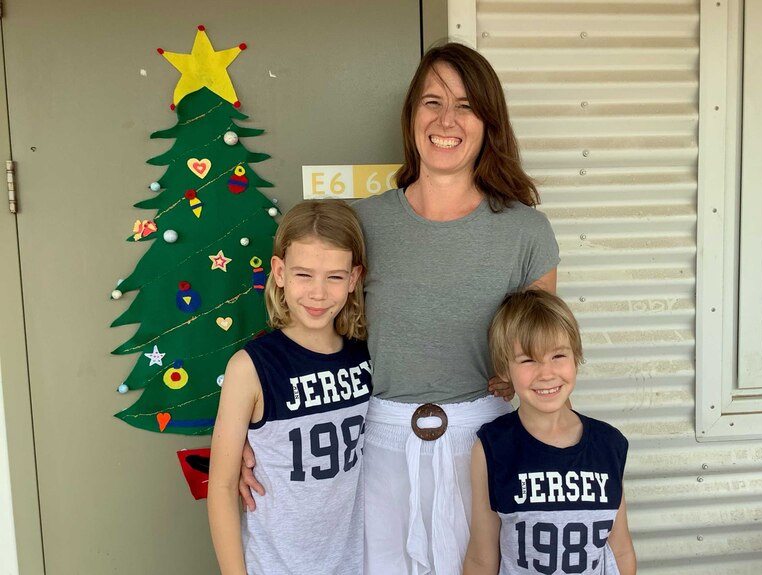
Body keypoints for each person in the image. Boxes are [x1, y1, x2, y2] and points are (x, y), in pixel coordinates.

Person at [241, 42, 559, 575]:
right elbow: (307, 335)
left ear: (489, 122)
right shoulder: (361, 224)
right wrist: (253, 432)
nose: (447, 120)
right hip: (371, 446)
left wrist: (559, 447)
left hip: (484, 445)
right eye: (432, 101)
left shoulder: (526, 231)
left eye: (466, 105)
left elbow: (545, 359)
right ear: (411, 115)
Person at [208, 199, 371, 575]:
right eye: (303, 275)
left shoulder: (367, 357)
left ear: (354, 278)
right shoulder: (250, 368)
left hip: (354, 563)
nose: (318, 293)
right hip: (276, 565)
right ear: (279, 272)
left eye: (334, 276)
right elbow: (221, 487)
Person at [463, 290, 636, 575]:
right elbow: (482, 557)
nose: (546, 373)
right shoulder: (492, 447)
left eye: (558, 355)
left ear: (576, 356)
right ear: (504, 369)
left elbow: (621, 549)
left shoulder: (609, 444)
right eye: (528, 360)